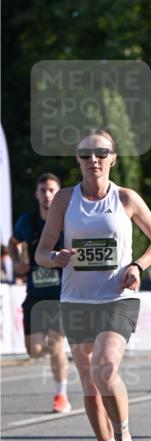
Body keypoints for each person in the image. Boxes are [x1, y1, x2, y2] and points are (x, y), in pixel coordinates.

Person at [35, 129, 151, 441]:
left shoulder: (126, 198)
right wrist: (56, 257)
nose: (92, 159)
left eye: (100, 153)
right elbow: (41, 252)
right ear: (78, 161)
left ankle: (125, 440)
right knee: (90, 385)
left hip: (116, 298)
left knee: (106, 367)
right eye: (85, 154)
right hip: (76, 300)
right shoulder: (65, 199)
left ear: (113, 158)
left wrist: (138, 266)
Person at [8, 173, 71, 413]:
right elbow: (13, 243)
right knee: (33, 351)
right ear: (37, 194)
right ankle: (58, 355)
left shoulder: (67, 221)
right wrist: (16, 262)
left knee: (55, 345)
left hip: (61, 294)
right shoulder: (27, 222)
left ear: (59, 194)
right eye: (43, 190)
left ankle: (61, 395)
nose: (47, 195)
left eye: (52, 190)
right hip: (35, 294)